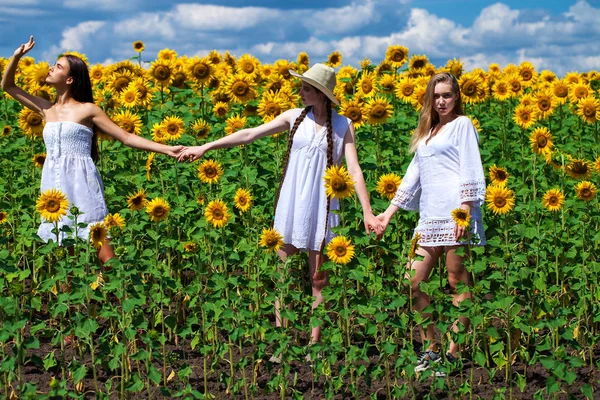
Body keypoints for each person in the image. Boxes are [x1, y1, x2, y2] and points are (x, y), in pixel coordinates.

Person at [178, 63, 383, 352]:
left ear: (322, 94)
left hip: (322, 206)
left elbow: (355, 170)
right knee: (282, 276)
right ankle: (282, 343)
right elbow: (249, 133)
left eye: (306, 89)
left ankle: (314, 345)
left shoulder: (342, 125)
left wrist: (367, 211)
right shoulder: (293, 117)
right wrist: (206, 147)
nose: (300, 92)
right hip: (291, 203)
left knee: (318, 279)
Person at [1, 36, 184, 264]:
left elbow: (125, 137)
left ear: (69, 79)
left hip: (81, 182)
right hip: (53, 184)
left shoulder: (88, 110)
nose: (50, 68)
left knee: (102, 248)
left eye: (58, 66)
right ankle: (74, 300)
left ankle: (116, 291)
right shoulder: (45, 108)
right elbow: (7, 86)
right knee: (64, 252)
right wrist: (17, 56)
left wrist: (167, 149)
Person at [376, 72, 486, 375]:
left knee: (457, 283)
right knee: (411, 282)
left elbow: (470, 164)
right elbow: (413, 177)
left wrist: (465, 209)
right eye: (436, 96)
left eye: (447, 95)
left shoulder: (462, 125)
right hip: (429, 218)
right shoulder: (427, 132)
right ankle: (431, 346)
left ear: (457, 97)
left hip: (456, 216)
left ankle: (452, 352)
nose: (441, 101)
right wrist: (388, 213)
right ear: (429, 98)